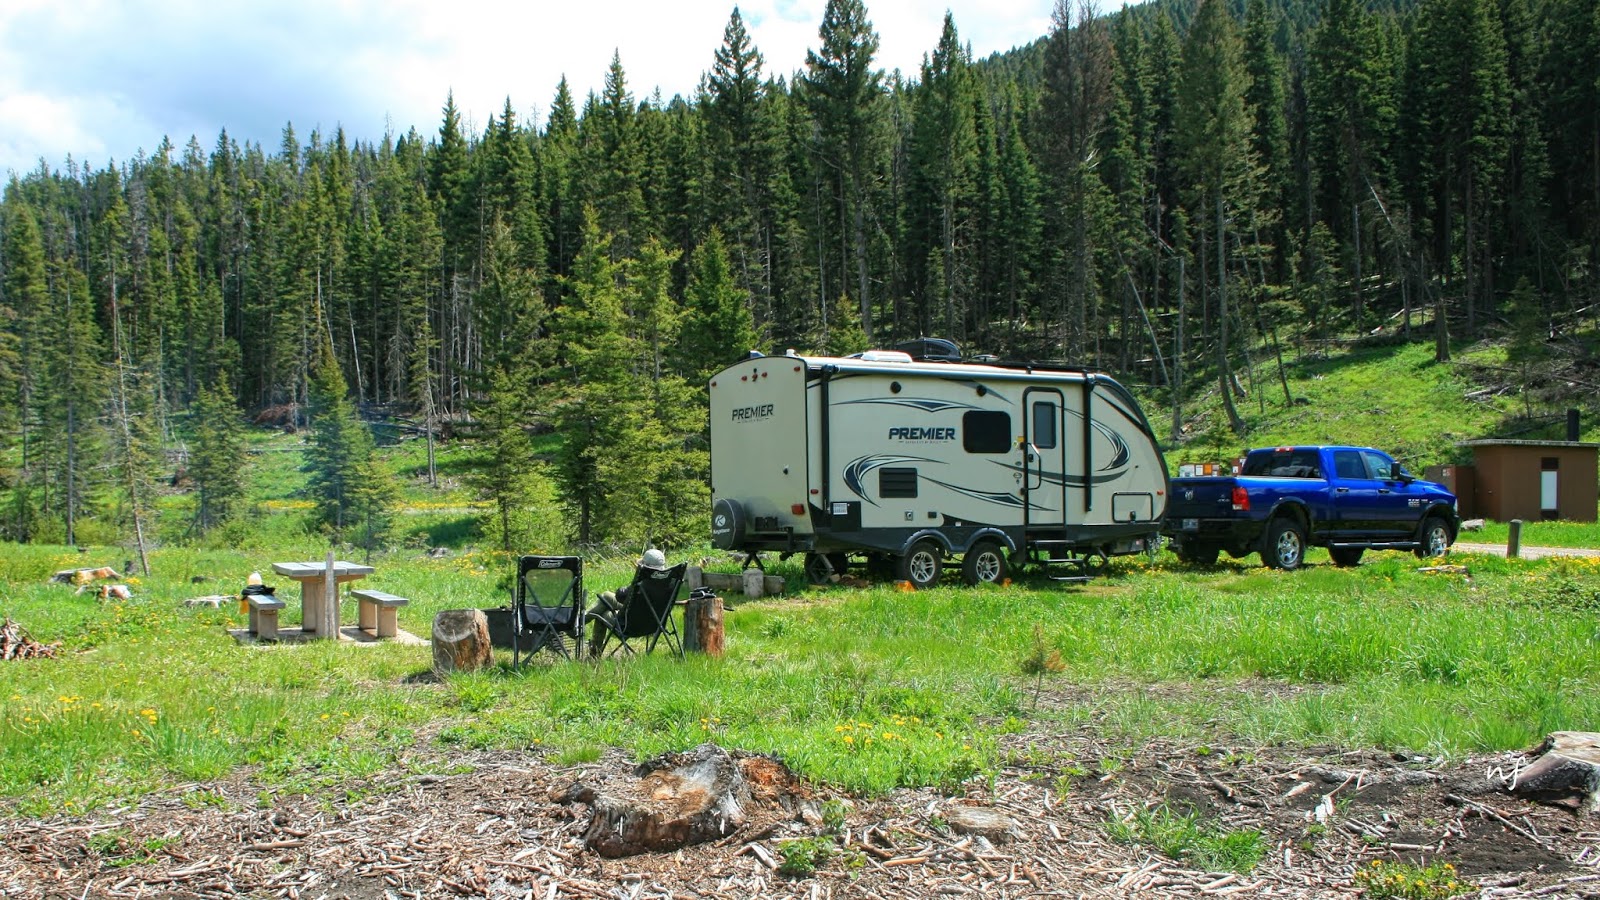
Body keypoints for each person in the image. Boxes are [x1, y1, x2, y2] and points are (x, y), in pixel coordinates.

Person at [585, 549, 667, 657]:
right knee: (606, 596)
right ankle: (580, 621)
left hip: (631, 625)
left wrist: (637, 577)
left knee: (602, 613)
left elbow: (621, 596)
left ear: (645, 567)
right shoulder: (669, 582)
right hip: (655, 623)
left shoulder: (644, 581)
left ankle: (593, 650)